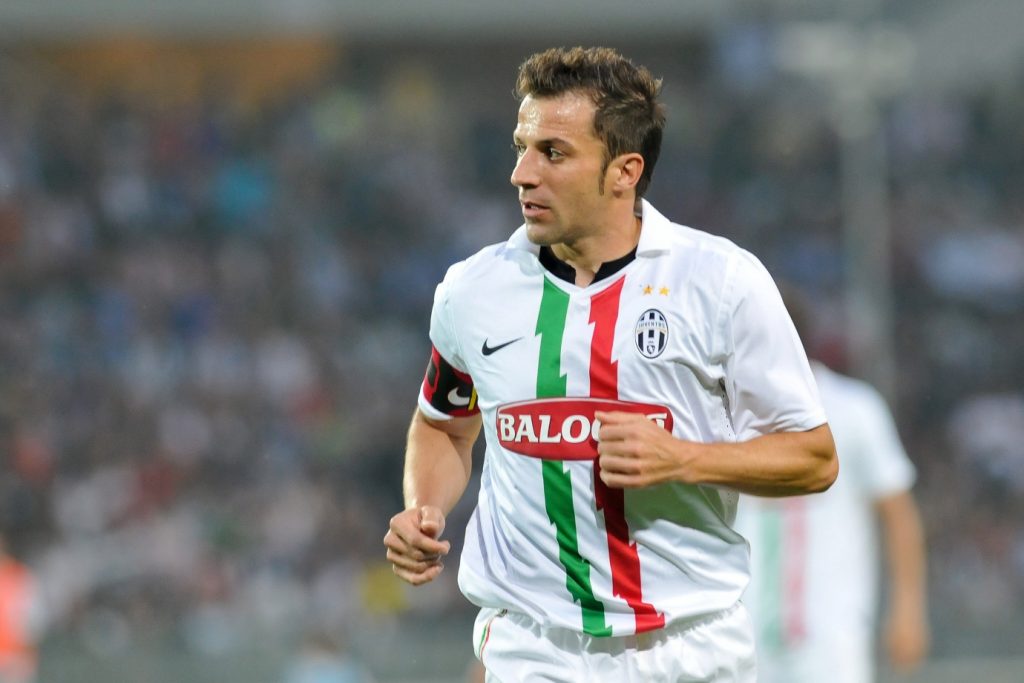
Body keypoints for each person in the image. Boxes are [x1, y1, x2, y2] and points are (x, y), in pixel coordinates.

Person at [383, 46, 838, 682]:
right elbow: (444, 425)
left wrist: (684, 459)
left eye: (553, 153)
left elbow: (814, 458)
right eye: (521, 147)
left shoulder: (722, 284)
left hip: (687, 647)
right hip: (532, 646)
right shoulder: (473, 290)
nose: (521, 173)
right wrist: (423, 507)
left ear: (624, 171)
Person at [733, 290, 930, 683]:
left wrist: (908, 609)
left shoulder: (854, 409)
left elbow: (898, 513)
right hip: (741, 627)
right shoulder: (726, 414)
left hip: (829, 632)